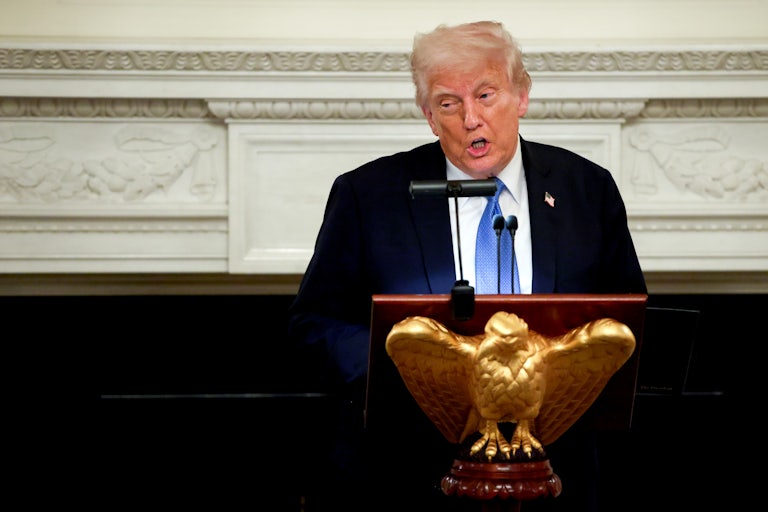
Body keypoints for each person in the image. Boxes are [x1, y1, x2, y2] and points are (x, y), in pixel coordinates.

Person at [287, 20, 646, 512]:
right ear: (429, 117)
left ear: (521, 95)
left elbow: (629, 322)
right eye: (448, 103)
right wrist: (406, 369)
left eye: (485, 95)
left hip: (557, 479)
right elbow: (312, 325)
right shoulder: (368, 195)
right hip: (406, 478)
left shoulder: (587, 189)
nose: (470, 119)